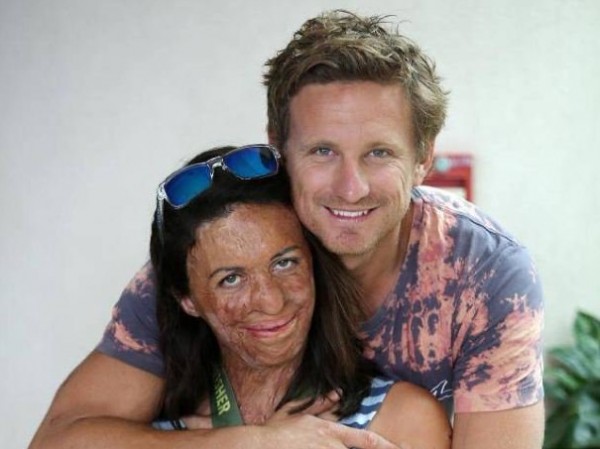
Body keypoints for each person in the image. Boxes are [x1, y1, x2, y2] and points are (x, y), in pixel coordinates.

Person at [29, 9, 544, 449]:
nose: (350, 188)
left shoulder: (486, 273)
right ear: (279, 147)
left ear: (423, 158)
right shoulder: (227, 244)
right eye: (322, 151)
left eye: (379, 152)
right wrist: (245, 441)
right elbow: (58, 439)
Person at [150, 144, 449, 448]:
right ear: (186, 299)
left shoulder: (402, 420)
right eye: (231, 279)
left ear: (313, 259)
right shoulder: (156, 436)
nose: (272, 301)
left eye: (284, 263)